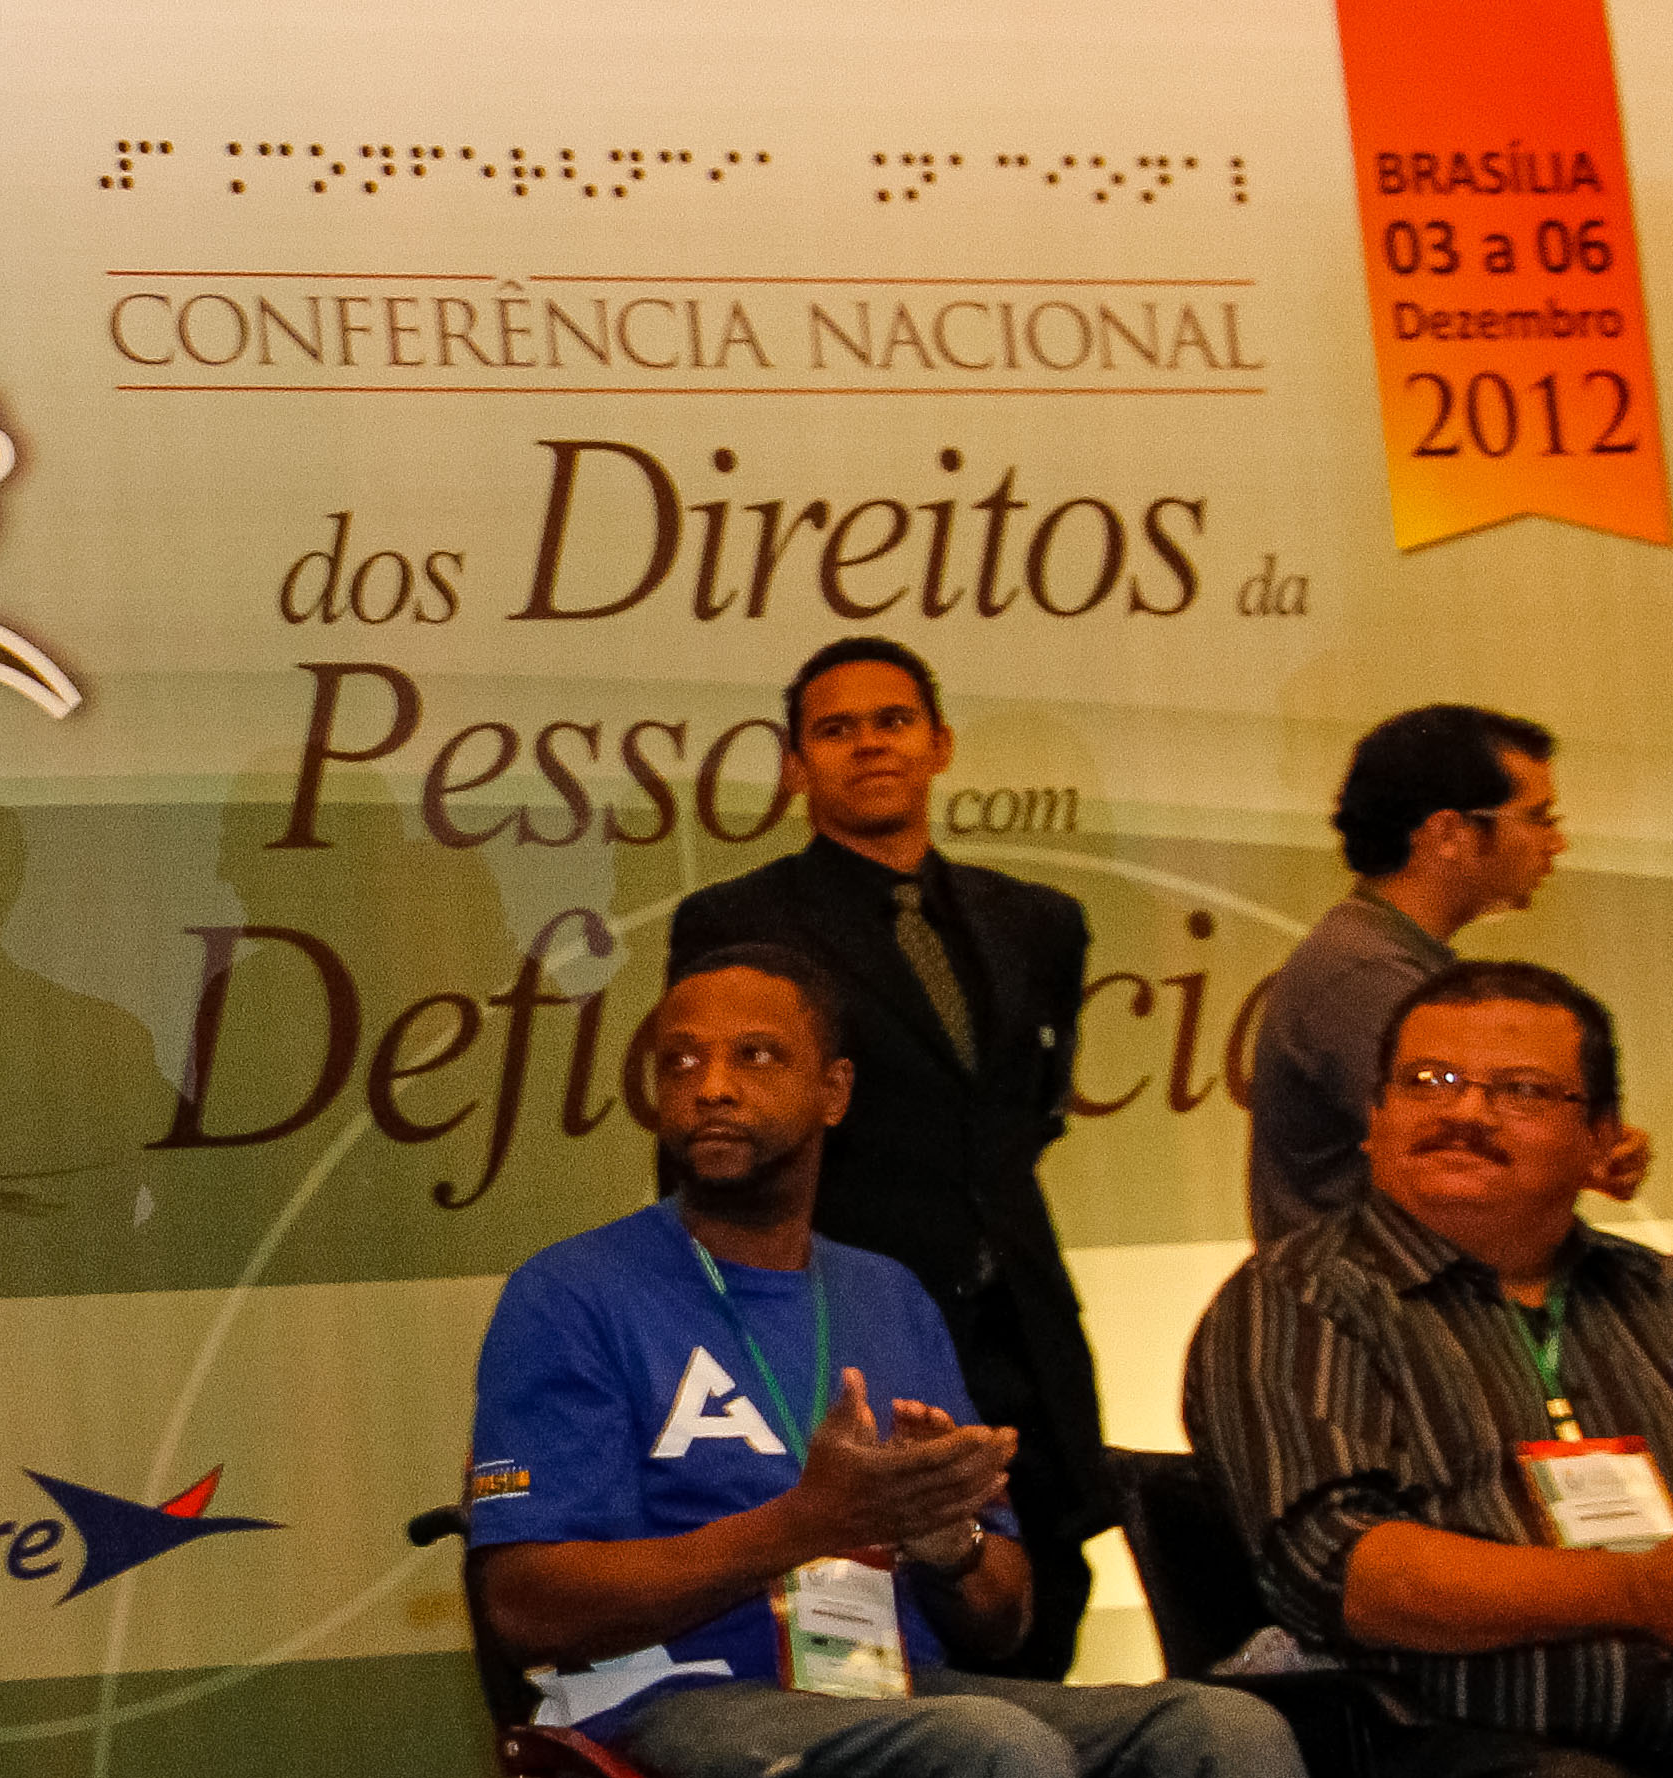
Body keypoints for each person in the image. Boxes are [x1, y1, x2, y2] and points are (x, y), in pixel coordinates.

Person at [467, 946, 1292, 1776]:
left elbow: (1002, 1620)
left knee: (1221, 1727)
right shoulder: (571, 1294)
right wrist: (808, 1522)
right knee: (992, 1745)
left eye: (755, 1055)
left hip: (892, 1692)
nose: (711, 1085)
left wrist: (949, 1543)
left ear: (834, 1091)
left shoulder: (888, 1296)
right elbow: (527, 1607)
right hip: (672, 1702)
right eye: (680, 1061)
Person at [666, 636, 1105, 1679]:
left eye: (893, 720)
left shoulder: (1040, 922)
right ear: (793, 766)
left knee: (1042, 1636)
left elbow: (1023, 1118)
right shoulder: (738, 921)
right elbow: (714, 1145)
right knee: (868, 1671)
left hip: (1023, 1346)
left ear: (938, 744)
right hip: (846, 1339)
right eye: (836, 728)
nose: (869, 744)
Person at [1191, 961, 1673, 1774]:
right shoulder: (1303, 1296)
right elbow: (1339, 1568)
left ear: (1601, 1137)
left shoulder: (1653, 1292)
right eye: (1427, 1081)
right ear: (1375, 1118)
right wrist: (1636, 1592)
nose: (1464, 1112)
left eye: (1520, 1090)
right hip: (1431, 1743)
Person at [1247, 705, 1644, 1243]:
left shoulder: (1384, 955)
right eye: (1538, 818)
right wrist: (1584, 1147)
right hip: (1376, 1291)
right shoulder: (1367, 973)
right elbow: (1473, 1151)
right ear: (1449, 833)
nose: (1556, 843)